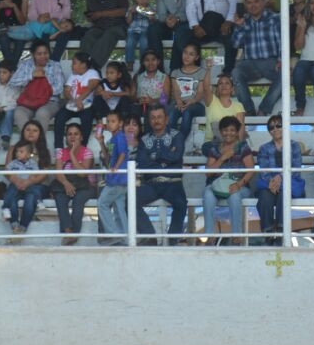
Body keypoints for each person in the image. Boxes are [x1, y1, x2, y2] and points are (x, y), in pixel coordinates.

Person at [134, 105, 188, 241]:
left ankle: (172, 239)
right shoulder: (143, 139)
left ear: (167, 119)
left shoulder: (177, 135)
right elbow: (142, 163)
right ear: (149, 120)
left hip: (173, 183)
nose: (156, 120)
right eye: (153, 118)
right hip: (151, 184)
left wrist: (154, 157)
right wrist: (166, 155)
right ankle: (149, 236)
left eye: (159, 117)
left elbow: (176, 157)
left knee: (181, 203)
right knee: (130, 200)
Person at [201, 117, 256, 243]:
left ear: (237, 132)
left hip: (239, 186)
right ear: (221, 131)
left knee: (234, 196)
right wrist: (223, 158)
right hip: (216, 186)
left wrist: (239, 184)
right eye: (225, 130)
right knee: (208, 195)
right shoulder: (214, 149)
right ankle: (210, 235)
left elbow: (251, 170)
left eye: (232, 130)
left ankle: (237, 235)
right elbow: (208, 174)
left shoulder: (243, 147)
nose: (229, 133)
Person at [229, 0, 282, 115]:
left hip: (271, 61)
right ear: (245, 5)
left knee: (285, 76)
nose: (253, 5)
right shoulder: (244, 21)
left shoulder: (275, 18)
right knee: (236, 72)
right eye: (249, 2)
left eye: (256, 1)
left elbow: (283, 40)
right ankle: (248, 110)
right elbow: (235, 44)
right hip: (250, 63)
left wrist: (281, 59)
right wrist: (240, 27)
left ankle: (264, 109)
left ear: (263, 2)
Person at [255, 114, 305, 242]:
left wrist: (280, 178)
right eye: (271, 127)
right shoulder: (264, 148)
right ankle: (268, 232)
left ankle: (282, 231)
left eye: (279, 125)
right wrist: (273, 181)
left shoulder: (294, 146)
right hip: (270, 184)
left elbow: (296, 169)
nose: (275, 129)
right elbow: (264, 170)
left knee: (284, 195)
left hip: (289, 182)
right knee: (265, 197)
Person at [52, 120, 97, 244]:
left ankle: (74, 233)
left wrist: (72, 154)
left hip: (87, 186)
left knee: (78, 200)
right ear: (66, 137)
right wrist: (66, 183)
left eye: (76, 134)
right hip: (66, 185)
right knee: (60, 198)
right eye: (70, 134)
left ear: (81, 137)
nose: (72, 137)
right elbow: (58, 173)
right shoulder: (60, 152)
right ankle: (68, 232)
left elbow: (83, 174)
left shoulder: (87, 152)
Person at [11, 40, 66, 136]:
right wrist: (31, 76)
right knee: (19, 113)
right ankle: (28, 144)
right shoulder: (26, 65)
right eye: (39, 54)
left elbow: (60, 88)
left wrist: (43, 88)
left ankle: (40, 146)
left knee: (42, 113)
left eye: (45, 53)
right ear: (33, 55)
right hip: (29, 102)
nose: (43, 56)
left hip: (50, 102)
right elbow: (13, 82)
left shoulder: (55, 66)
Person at [96, 112, 134, 244]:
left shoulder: (121, 136)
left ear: (120, 123)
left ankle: (113, 233)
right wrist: (101, 142)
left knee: (102, 203)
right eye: (109, 121)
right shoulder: (111, 139)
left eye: (113, 121)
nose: (110, 124)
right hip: (116, 178)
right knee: (119, 207)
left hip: (118, 178)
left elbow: (123, 154)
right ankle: (126, 237)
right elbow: (107, 159)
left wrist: (115, 168)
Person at [149, 0, 192, 72]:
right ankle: (158, 70)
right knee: (153, 30)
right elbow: (161, 14)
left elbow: (194, 11)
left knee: (182, 31)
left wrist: (178, 18)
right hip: (169, 23)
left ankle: (176, 71)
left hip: (187, 22)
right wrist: (167, 19)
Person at [82, 0, 129, 70]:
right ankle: (82, 64)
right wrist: (91, 17)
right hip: (99, 27)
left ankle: (93, 67)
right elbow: (92, 14)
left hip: (118, 27)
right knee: (89, 36)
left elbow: (124, 11)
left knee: (110, 34)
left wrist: (101, 14)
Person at [167, 42, 210, 144]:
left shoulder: (202, 72)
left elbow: (200, 92)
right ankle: (170, 140)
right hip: (179, 103)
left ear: (197, 57)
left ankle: (179, 142)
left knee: (187, 112)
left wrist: (192, 101)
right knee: (172, 113)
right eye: (185, 53)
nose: (187, 56)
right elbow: (176, 91)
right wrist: (179, 102)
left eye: (191, 54)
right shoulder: (175, 72)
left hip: (196, 104)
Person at [2, 138, 43, 239]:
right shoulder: (14, 163)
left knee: (33, 193)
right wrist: (15, 179)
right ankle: (10, 216)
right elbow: (6, 170)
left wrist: (28, 181)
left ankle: (38, 202)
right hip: (16, 185)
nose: (17, 154)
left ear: (28, 154)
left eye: (21, 152)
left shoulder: (33, 163)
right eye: (16, 151)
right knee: (10, 194)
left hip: (28, 185)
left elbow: (35, 174)